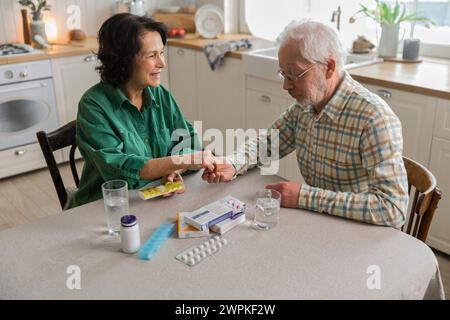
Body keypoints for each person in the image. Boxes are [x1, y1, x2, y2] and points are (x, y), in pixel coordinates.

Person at [203, 20, 409, 228]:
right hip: (319, 223)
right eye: (283, 74)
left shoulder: (374, 118)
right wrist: (233, 163)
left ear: (329, 67)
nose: (285, 85)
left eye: (294, 75)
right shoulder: (305, 107)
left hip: (360, 234)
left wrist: (304, 196)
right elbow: (267, 144)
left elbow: (393, 208)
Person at [69, 13, 214, 208]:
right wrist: (183, 160)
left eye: (161, 53)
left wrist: (175, 169)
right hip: (106, 208)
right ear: (124, 60)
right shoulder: (93, 105)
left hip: (154, 201)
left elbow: (187, 141)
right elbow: (119, 170)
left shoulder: (159, 94)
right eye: (152, 55)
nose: (162, 63)